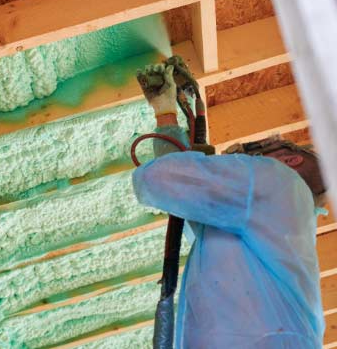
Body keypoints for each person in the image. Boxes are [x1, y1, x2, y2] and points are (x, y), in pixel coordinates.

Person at [132, 63, 327, 348]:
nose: (246, 156)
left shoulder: (279, 179)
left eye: (259, 151)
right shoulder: (278, 221)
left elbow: (160, 178)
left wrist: (168, 115)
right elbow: (184, 195)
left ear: (291, 160)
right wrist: (165, 113)